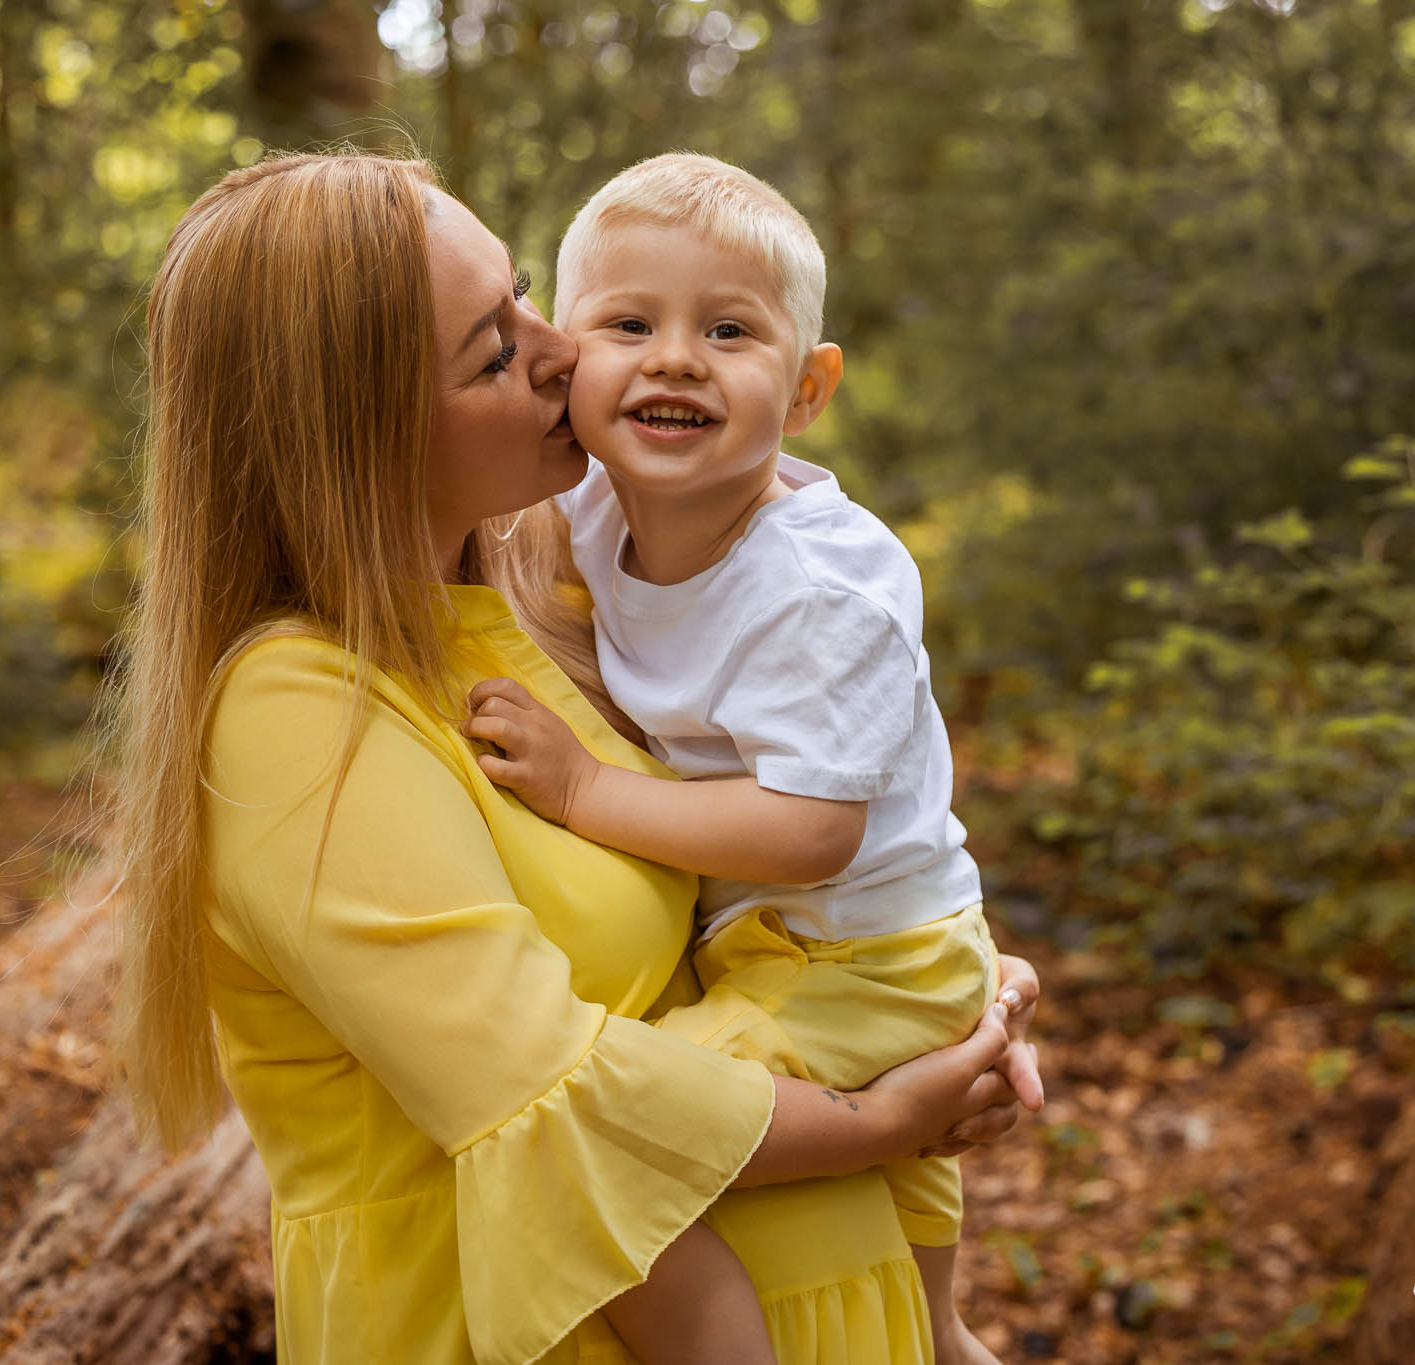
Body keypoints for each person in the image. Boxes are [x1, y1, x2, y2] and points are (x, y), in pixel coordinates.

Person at [103, 149, 1044, 1365]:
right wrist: (875, 1116)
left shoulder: (541, 590)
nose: (561, 354)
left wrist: (927, 975)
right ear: (357, 431)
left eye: (526, 297)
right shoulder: (297, 715)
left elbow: (758, 849)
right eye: (495, 347)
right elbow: (554, 1097)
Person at [464, 153, 1017, 1365]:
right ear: (564, 357)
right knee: (931, 1333)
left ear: (808, 388)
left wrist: (584, 790)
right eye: (628, 323)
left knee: (607, 1142)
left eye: (727, 329)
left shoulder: (822, 585)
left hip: (861, 958)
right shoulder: (594, 509)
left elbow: (812, 832)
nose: (672, 358)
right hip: (803, 946)